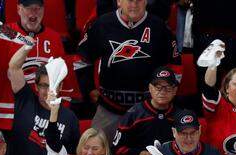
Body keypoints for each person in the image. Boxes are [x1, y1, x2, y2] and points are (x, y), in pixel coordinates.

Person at [74, 0, 179, 139]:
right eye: (129, 0)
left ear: (146, 2)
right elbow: (81, 60)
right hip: (108, 110)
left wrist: (166, 96)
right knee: (98, 153)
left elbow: (176, 66)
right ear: (118, 2)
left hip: (149, 111)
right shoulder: (102, 24)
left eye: (139, 0)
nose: (134, 4)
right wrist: (89, 89)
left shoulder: (159, 27)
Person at [6, 45, 82, 155]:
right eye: (44, 86)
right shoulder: (26, 99)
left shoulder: (69, 117)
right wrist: (27, 46)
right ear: (36, 86)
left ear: (61, 85)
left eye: (53, 85)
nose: (49, 91)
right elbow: (14, 66)